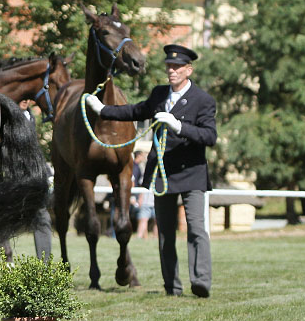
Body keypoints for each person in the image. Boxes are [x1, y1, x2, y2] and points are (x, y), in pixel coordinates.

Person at [86, 44, 217, 298]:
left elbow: (209, 136)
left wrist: (179, 126)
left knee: (196, 229)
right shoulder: (159, 95)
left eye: (177, 67)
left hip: (191, 172)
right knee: (165, 232)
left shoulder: (203, 100)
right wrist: (103, 110)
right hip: (163, 174)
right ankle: (172, 286)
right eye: (169, 66)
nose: (172, 71)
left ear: (188, 70)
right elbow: (135, 110)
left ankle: (200, 281)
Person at [0, 98, 52, 269]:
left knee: (42, 218)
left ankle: (44, 264)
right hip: (2, 179)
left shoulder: (30, 117)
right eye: (22, 98)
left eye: (28, 98)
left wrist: (45, 174)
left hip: (27, 180)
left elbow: (34, 151)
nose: (25, 101)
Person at [130, 150, 156, 239]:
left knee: (154, 221)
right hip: (146, 200)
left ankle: (151, 237)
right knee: (143, 219)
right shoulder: (135, 167)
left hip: (153, 199)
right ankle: (140, 237)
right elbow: (135, 182)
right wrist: (134, 196)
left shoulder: (137, 168)